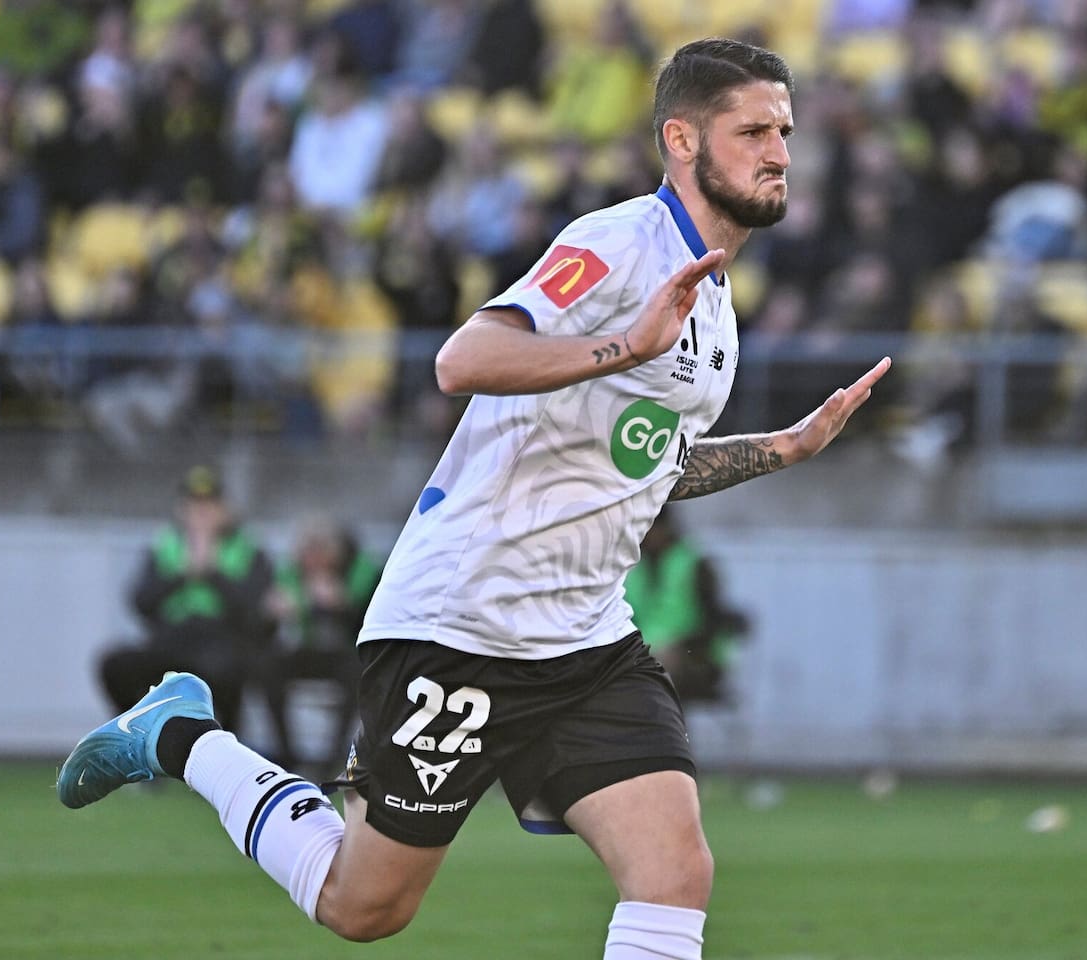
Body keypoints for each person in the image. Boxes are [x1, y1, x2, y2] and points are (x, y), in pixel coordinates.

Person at [57, 38, 890, 958]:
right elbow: (465, 359)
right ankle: (180, 733)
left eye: (785, 130)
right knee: (364, 908)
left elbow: (647, 464)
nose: (779, 151)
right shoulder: (616, 246)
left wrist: (783, 447)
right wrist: (624, 350)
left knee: (675, 869)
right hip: (463, 624)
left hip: (583, 638)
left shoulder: (719, 302)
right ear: (683, 141)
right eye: (753, 131)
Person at [96, 464, 276, 735]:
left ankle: (222, 749)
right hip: (171, 639)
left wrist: (212, 572)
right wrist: (182, 574)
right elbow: (141, 602)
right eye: (193, 505)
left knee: (230, 672)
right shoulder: (165, 545)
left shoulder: (249, 548)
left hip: (221, 641)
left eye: (209, 505)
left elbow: (254, 611)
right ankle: (139, 738)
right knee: (115, 665)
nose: (201, 513)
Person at [260, 515, 382, 773]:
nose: (314, 560)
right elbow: (265, 628)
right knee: (268, 669)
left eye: (320, 551)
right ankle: (286, 754)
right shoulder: (290, 573)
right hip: (304, 651)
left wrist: (342, 606)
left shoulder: (361, 571)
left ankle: (333, 755)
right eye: (308, 552)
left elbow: (370, 625)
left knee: (357, 676)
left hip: (344, 653)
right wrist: (274, 612)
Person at [624, 507, 746, 703]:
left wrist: (682, 646)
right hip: (645, 655)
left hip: (695, 658)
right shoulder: (633, 567)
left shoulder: (694, 563)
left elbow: (713, 619)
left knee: (653, 667)